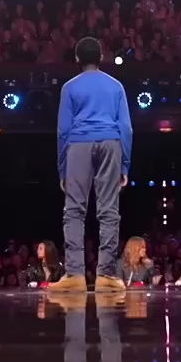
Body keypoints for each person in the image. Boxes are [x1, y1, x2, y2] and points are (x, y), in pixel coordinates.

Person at [55, 36, 133, 291]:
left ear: (77, 58)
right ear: (101, 58)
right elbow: (126, 129)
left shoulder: (69, 87)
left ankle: (75, 274)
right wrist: (124, 164)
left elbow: (63, 131)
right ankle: (106, 275)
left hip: (78, 144)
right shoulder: (116, 86)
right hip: (111, 141)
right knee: (109, 210)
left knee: (74, 209)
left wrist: (63, 167)